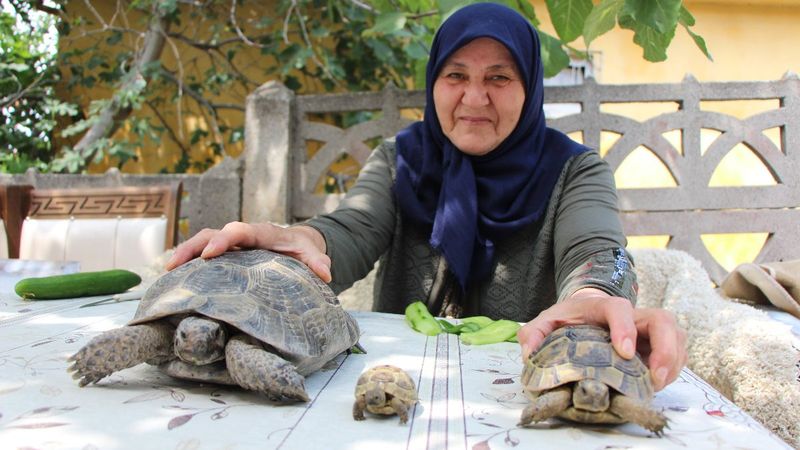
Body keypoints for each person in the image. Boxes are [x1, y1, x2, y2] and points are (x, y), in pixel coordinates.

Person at [167, 3, 686, 391]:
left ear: (530, 88)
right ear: (433, 81)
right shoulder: (401, 160)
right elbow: (351, 228)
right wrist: (293, 238)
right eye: (455, 75)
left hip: (522, 392)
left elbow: (597, 249)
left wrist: (595, 297)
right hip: (397, 388)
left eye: (499, 78)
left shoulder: (576, 170)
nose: (474, 98)